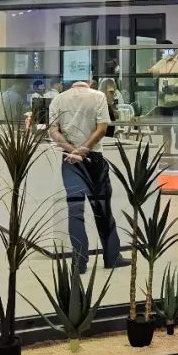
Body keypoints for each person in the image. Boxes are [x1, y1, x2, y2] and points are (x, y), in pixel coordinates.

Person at [48, 80, 128, 273]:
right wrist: (84, 149)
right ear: (88, 84)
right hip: (94, 159)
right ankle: (112, 257)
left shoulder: (58, 99)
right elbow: (102, 129)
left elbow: (53, 131)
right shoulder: (98, 97)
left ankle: (79, 262)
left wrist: (72, 149)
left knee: (75, 212)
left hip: (69, 159)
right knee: (103, 210)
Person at [149, 41, 178, 154]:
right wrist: (151, 69)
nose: (162, 54)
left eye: (163, 51)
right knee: (165, 130)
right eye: (161, 52)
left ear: (170, 49)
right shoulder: (162, 62)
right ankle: (167, 154)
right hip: (163, 102)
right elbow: (151, 71)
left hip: (177, 102)